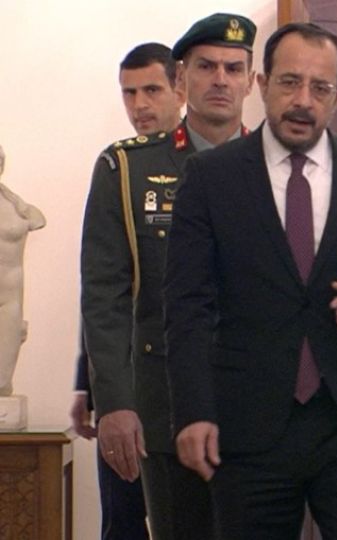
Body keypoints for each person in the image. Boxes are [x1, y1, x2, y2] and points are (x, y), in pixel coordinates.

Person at [163, 22, 337, 539]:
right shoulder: (211, 177)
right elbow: (187, 306)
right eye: (289, 82)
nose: (303, 100)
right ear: (262, 85)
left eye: (320, 88)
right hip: (248, 424)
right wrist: (193, 411)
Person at [80, 13, 256, 539]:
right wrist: (114, 401)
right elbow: (105, 296)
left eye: (233, 69)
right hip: (166, 400)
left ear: (251, 81)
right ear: (182, 79)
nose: (220, 80)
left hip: (261, 403)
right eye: (206, 67)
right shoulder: (128, 169)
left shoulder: (279, 164)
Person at [71, 41, 184, 540]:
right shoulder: (120, 167)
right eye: (129, 93)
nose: (140, 105)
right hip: (132, 382)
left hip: (193, 379)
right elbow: (105, 290)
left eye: (152, 90)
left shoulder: (218, 163)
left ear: (180, 89)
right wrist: (89, 385)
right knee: (124, 522)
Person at [0, 144, 45, 397]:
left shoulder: (18, 208)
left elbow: (38, 220)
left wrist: (17, 202)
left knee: (2, 380)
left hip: (10, 296)